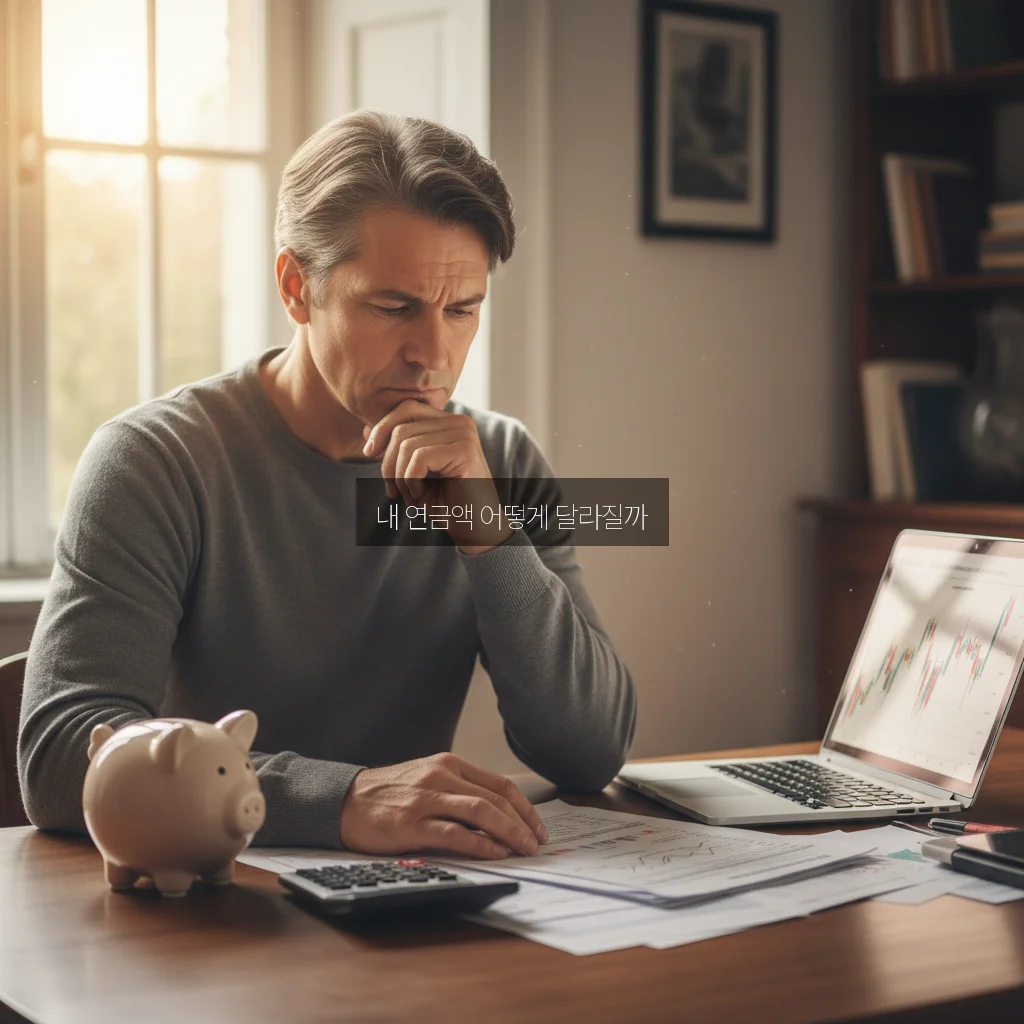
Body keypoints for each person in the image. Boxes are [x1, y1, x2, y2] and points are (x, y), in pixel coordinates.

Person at [18, 110, 636, 858]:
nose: (432, 354)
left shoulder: (498, 459)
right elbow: (60, 761)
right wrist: (339, 799)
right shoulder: (154, 461)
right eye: (393, 307)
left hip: (414, 906)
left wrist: (487, 532)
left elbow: (589, 752)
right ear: (296, 286)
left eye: (462, 310)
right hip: (204, 906)